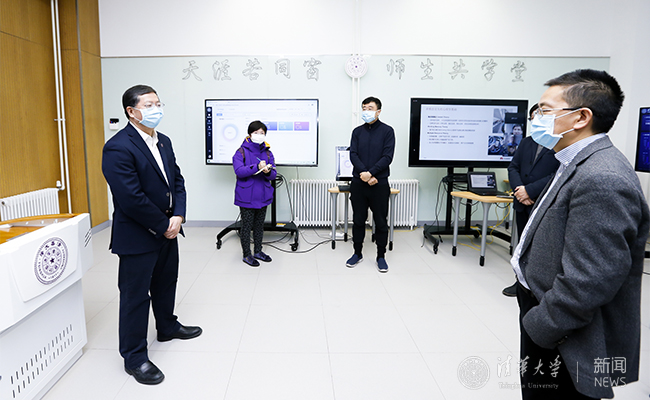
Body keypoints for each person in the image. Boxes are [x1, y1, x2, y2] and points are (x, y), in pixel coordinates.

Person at [511, 69, 649, 399]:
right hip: (545, 310)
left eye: (545, 111)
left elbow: (590, 280)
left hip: (564, 333)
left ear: (581, 117)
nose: (537, 119)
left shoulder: (603, 177)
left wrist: (541, 326)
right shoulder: (574, 160)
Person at [102, 85, 202, 385]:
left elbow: (177, 181)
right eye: (148, 104)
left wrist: (178, 216)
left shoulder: (164, 141)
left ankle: (167, 326)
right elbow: (130, 198)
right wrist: (164, 224)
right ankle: (134, 358)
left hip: (168, 228)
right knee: (135, 297)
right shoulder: (118, 147)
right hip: (138, 234)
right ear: (131, 111)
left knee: (166, 281)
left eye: (158, 103)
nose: (156, 109)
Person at [501, 105, 560, 297]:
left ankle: (538, 286)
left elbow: (557, 174)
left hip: (543, 202)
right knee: (523, 244)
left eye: (541, 117)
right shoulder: (527, 142)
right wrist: (520, 190)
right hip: (522, 202)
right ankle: (520, 282)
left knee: (541, 247)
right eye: (533, 118)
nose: (536, 121)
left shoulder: (560, 143)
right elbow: (513, 167)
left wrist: (529, 191)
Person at [346, 96, 395, 272]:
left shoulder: (387, 131)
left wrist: (372, 174)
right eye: (364, 108)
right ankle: (357, 253)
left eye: (370, 108)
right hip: (359, 183)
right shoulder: (357, 132)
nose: (366, 111)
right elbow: (353, 154)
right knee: (358, 220)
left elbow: (387, 157)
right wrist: (365, 175)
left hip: (379, 184)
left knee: (381, 221)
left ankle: (381, 256)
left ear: (378, 111)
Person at [232, 120, 276, 267]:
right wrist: (256, 167)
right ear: (250, 134)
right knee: (246, 226)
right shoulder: (241, 152)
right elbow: (239, 171)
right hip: (246, 197)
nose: (259, 135)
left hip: (263, 195)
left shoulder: (268, 152)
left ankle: (258, 251)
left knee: (259, 225)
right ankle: (247, 255)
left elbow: (273, 175)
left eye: (262, 133)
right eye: (256, 132)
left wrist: (267, 171)